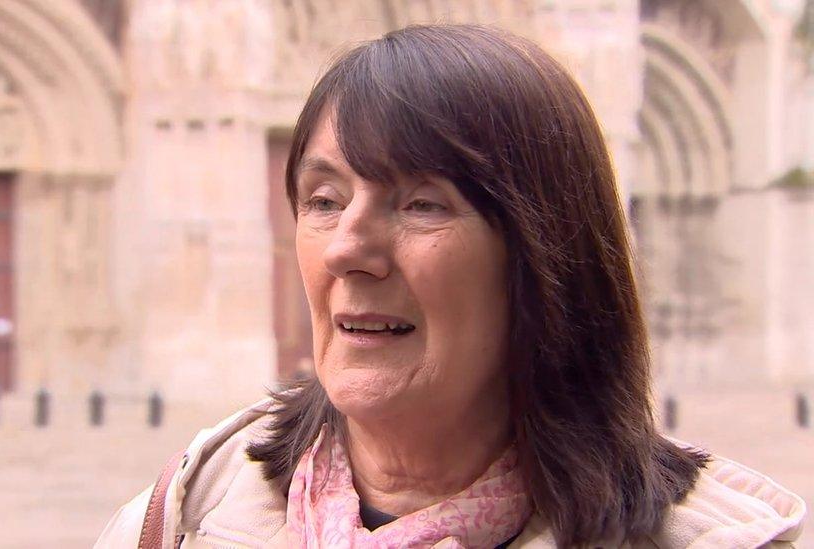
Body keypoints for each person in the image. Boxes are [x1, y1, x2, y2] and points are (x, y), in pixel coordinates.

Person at [96, 25, 806, 548]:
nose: (348, 248)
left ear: (546, 255)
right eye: (323, 199)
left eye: (421, 203)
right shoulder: (183, 516)